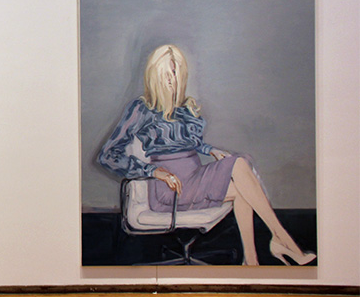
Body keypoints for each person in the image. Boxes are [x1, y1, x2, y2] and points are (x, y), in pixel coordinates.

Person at [98, 44, 315, 266]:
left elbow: (187, 143)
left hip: (195, 177)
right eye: (165, 74)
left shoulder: (184, 108)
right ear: (154, 76)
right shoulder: (141, 108)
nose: (171, 80)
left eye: (175, 73)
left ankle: (251, 260)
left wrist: (209, 149)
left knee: (243, 186)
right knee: (239, 165)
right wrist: (153, 171)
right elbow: (108, 155)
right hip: (171, 188)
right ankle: (281, 238)